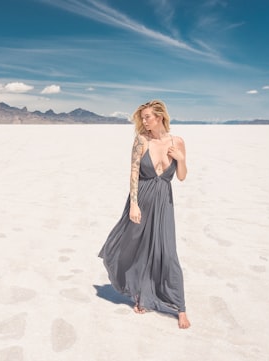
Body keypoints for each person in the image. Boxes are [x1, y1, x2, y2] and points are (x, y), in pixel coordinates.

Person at [98, 100, 191, 329]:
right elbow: (133, 172)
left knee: (168, 253)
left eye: (147, 117)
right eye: (142, 118)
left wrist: (181, 159)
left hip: (164, 203)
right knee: (138, 248)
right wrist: (133, 204)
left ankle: (181, 309)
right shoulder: (141, 140)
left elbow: (181, 177)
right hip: (142, 200)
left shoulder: (177, 141)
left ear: (159, 117)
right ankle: (140, 295)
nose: (144, 121)